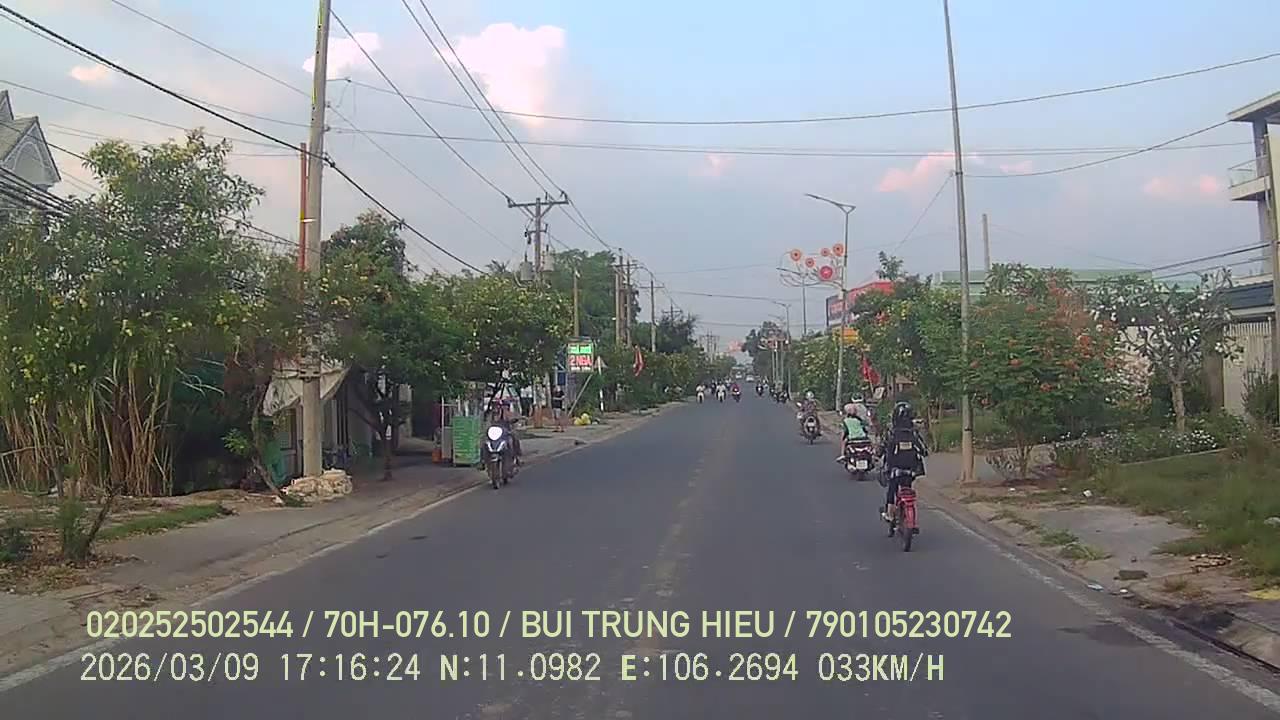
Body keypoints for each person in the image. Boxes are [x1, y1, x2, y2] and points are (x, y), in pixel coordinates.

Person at [881, 401, 928, 522]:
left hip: (895, 470)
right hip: (911, 470)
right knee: (907, 487)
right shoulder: (914, 433)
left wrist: (879, 455)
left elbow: (883, 447)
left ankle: (890, 514)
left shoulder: (891, 432)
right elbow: (924, 450)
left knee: (892, 489)